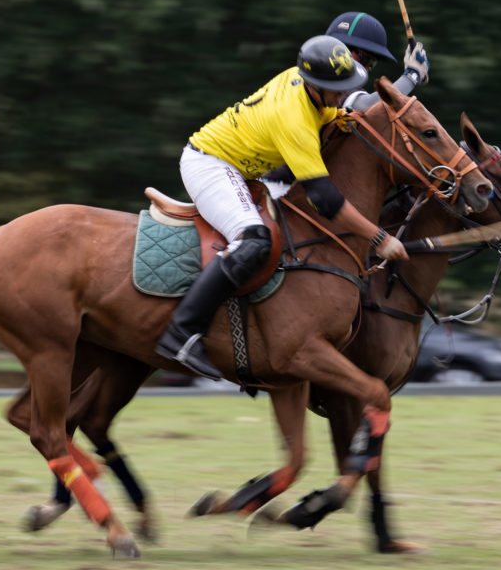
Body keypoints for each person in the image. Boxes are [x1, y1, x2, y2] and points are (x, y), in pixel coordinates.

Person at [155, 34, 409, 381]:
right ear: (313, 85)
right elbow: (325, 199)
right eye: (335, 90)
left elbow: (355, 110)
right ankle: (180, 333)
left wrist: (411, 79)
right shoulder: (294, 116)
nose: (340, 97)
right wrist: (379, 237)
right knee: (254, 240)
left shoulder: (310, 87)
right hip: (210, 165)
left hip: (241, 170)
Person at [324, 11, 429, 110]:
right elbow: (368, 106)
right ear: (340, 49)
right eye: (365, 60)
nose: (365, 70)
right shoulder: (326, 81)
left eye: (371, 64)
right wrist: (412, 75)